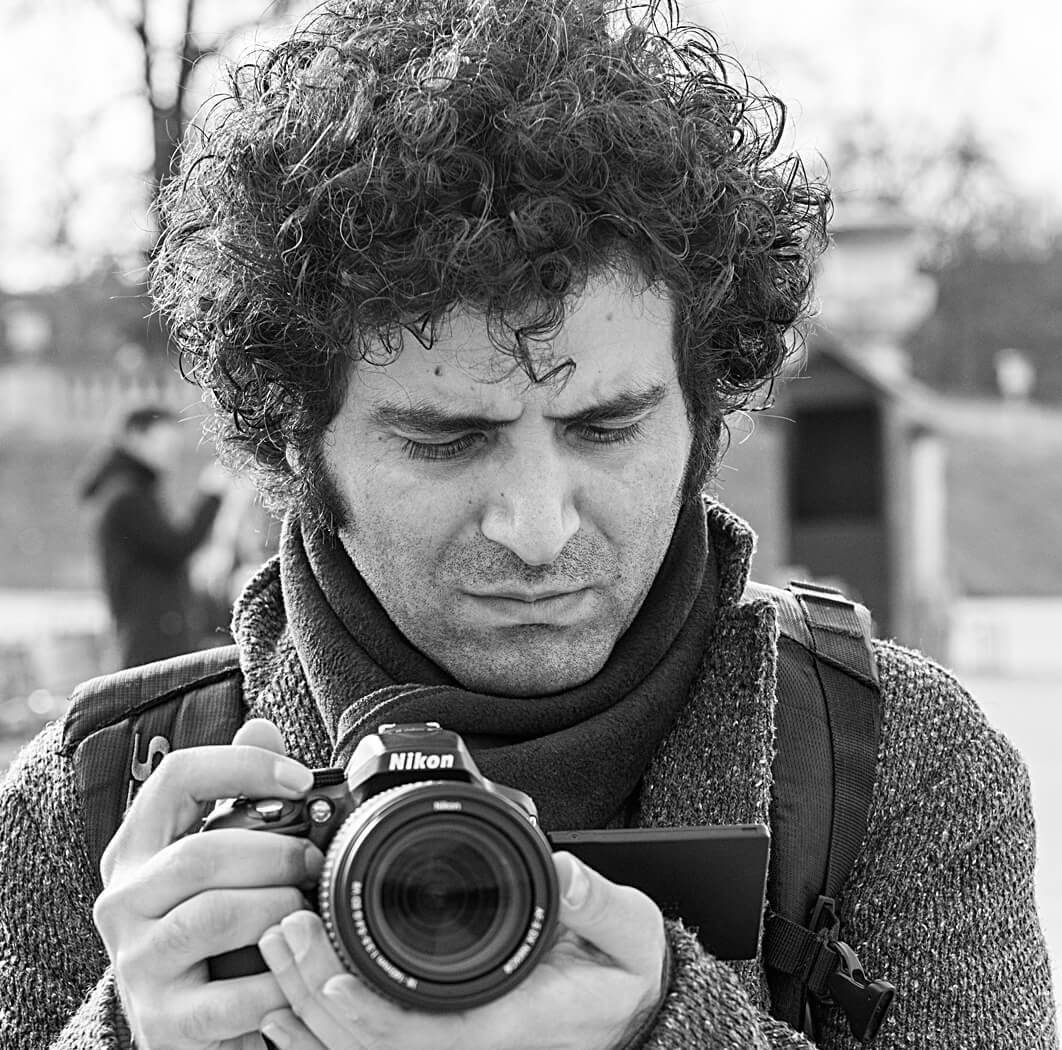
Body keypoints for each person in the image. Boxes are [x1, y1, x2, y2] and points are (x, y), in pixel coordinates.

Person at [1, 0, 1056, 1047]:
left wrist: (668, 1030)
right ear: (293, 444)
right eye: (446, 441)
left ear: (705, 416)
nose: (540, 528)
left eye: (605, 428)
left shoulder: (896, 764)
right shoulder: (93, 803)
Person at [79, 406, 227, 668]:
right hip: (151, 637)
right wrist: (211, 494)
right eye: (166, 443)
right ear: (135, 437)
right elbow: (175, 547)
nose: (174, 453)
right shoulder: (126, 497)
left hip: (148, 633)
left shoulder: (128, 490)